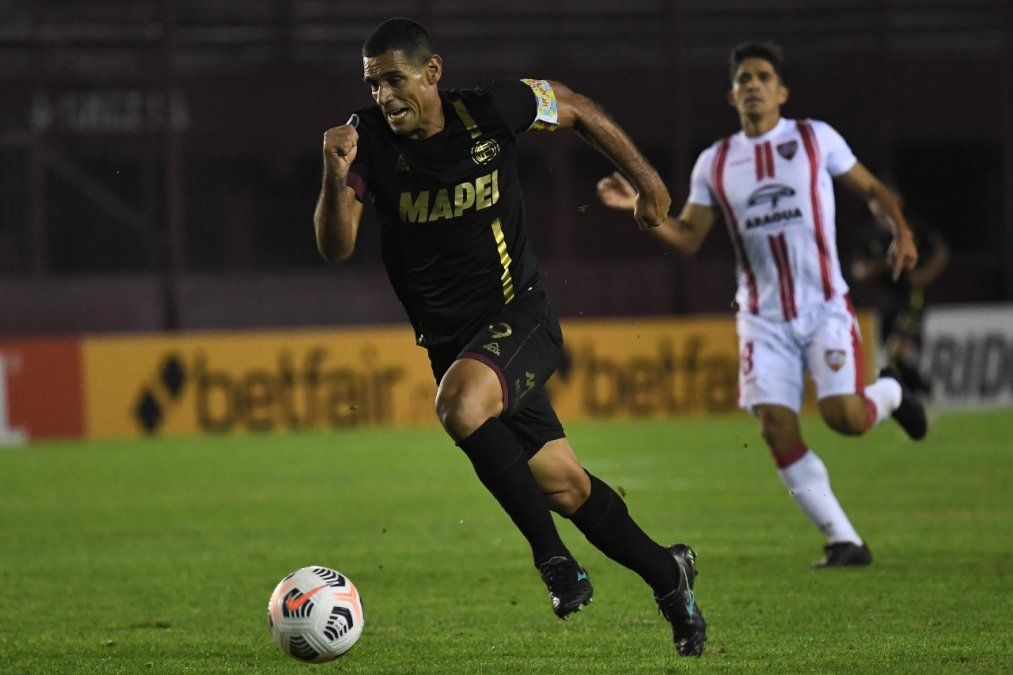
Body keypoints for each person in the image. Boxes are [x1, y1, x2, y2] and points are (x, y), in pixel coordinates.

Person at [313, 18, 706, 656]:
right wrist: (333, 175)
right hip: (457, 346)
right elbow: (337, 247)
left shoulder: (492, 109)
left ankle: (553, 562)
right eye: (373, 84)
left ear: (432, 73)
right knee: (564, 486)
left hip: (520, 318)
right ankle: (670, 576)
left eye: (395, 79)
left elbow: (575, 106)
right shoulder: (366, 141)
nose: (384, 96)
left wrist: (650, 183)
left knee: (459, 405)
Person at [597, 42, 928, 568]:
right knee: (775, 425)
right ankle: (845, 540)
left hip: (824, 306)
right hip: (761, 318)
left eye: (762, 76)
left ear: (781, 91)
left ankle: (890, 391)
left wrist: (901, 231)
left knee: (845, 418)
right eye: (744, 78)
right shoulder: (717, 161)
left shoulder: (815, 138)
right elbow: (688, 237)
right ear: (732, 95)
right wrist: (642, 210)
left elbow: (871, 190)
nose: (752, 84)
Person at [851, 191, 951, 396]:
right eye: (876, 203)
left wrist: (925, 274)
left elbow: (941, 251)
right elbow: (858, 270)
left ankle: (923, 393)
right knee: (891, 356)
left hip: (911, 296)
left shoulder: (911, 228)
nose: (880, 208)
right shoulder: (869, 235)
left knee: (897, 349)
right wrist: (878, 266)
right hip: (886, 299)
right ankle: (920, 391)